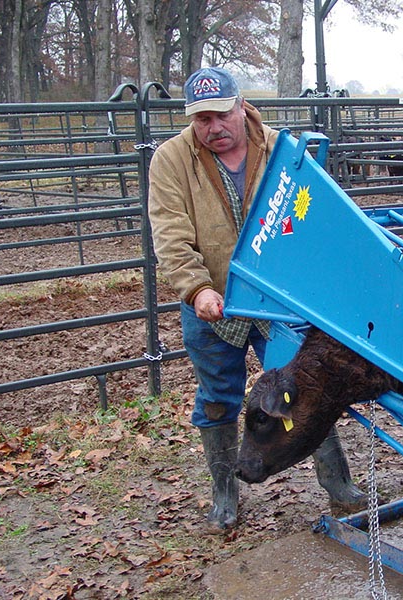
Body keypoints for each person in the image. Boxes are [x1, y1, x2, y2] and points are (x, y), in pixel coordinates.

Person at [147, 67, 366, 532]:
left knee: (307, 391)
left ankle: (338, 485)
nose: (213, 128)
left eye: (221, 115)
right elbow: (170, 235)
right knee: (217, 397)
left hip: (279, 303)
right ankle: (225, 491)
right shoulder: (171, 161)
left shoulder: (282, 151)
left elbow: (309, 212)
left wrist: (307, 279)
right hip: (214, 304)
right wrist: (197, 288)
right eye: (201, 120)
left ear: (241, 105)